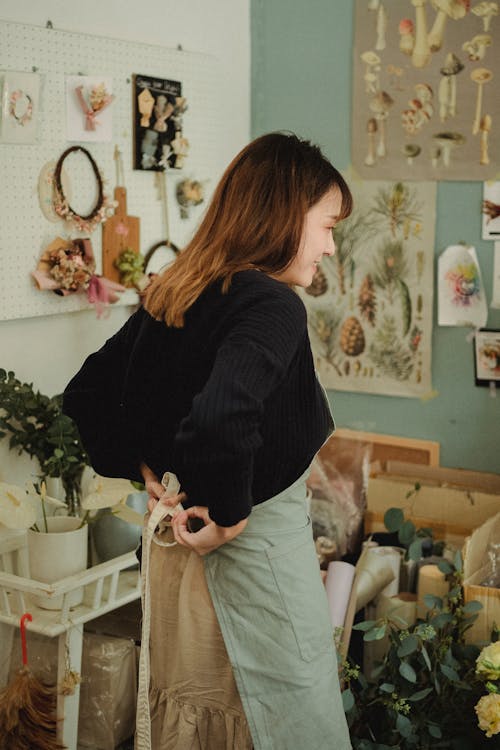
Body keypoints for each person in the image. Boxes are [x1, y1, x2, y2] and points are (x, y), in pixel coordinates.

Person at [63, 131, 353, 750]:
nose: (330, 246)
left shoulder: (177, 290)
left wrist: (143, 466)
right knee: (281, 721)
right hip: (254, 571)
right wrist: (228, 517)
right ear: (282, 216)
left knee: (195, 716)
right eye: (327, 226)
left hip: (175, 568)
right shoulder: (273, 306)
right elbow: (222, 417)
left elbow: (86, 394)